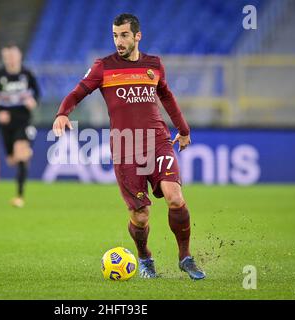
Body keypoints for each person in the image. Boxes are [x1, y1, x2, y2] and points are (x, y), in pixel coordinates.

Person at [52, 14, 205, 280]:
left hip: (157, 140)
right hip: (126, 146)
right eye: (114, 35)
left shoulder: (154, 65)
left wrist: (183, 129)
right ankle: (145, 257)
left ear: (137, 36)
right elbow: (77, 92)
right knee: (141, 215)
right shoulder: (103, 67)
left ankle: (185, 258)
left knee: (175, 197)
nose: (118, 41)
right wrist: (63, 113)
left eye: (123, 35)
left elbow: (166, 95)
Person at [0, 44, 40, 208]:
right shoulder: (0, 75)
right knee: (13, 159)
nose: (10, 59)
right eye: (7, 56)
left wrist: (34, 101)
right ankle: (23, 153)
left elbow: (37, 92)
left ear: (19, 56)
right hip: (6, 123)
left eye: (13, 56)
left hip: (23, 120)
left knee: (21, 153)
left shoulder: (27, 74)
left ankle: (19, 196)